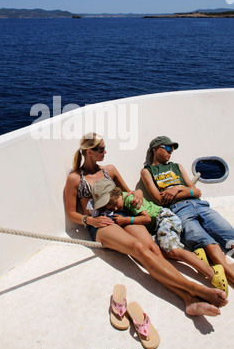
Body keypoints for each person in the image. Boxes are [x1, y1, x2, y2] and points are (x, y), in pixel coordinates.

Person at [64, 132, 228, 317]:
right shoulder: (75, 179)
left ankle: (188, 300)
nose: (105, 152)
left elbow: (129, 193)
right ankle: (194, 289)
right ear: (89, 152)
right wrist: (89, 220)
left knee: (154, 248)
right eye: (101, 149)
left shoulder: (110, 170)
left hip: (122, 214)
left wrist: (139, 194)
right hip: (100, 222)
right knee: (138, 248)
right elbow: (71, 212)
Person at [89, 178, 228, 295]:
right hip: (157, 226)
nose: (113, 209)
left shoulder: (131, 200)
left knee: (173, 250)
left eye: (113, 204)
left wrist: (127, 220)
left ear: (117, 194)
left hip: (164, 219)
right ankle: (198, 256)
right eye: (109, 207)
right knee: (159, 252)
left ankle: (212, 272)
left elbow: (147, 219)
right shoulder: (121, 203)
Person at [141, 135, 234, 286]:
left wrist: (176, 189)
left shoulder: (177, 166)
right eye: (168, 148)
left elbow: (196, 191)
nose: (171, 152)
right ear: (155, 149)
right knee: (209, 245)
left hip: (200, 205)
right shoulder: (147, 171)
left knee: (229, 234)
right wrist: (186, 190)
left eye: (173, 149)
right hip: (178, 211)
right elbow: (159, 199)